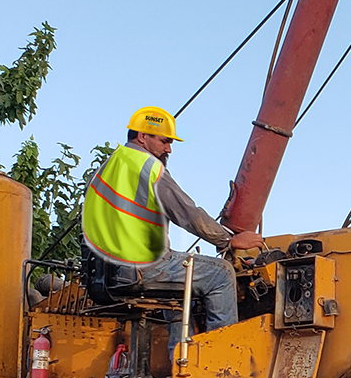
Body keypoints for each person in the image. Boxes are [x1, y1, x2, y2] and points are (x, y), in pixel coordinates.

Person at [82, 106, 261, 343]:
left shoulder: (108, 167)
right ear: (143, 137)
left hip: (106, 273)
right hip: (142, 267)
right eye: (164, 141)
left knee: (180, 288)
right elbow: (187, 213)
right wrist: (228, 240)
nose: (169, 149)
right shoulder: (146, 166)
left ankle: (179, 359)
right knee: (221, 273)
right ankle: (221, 354)